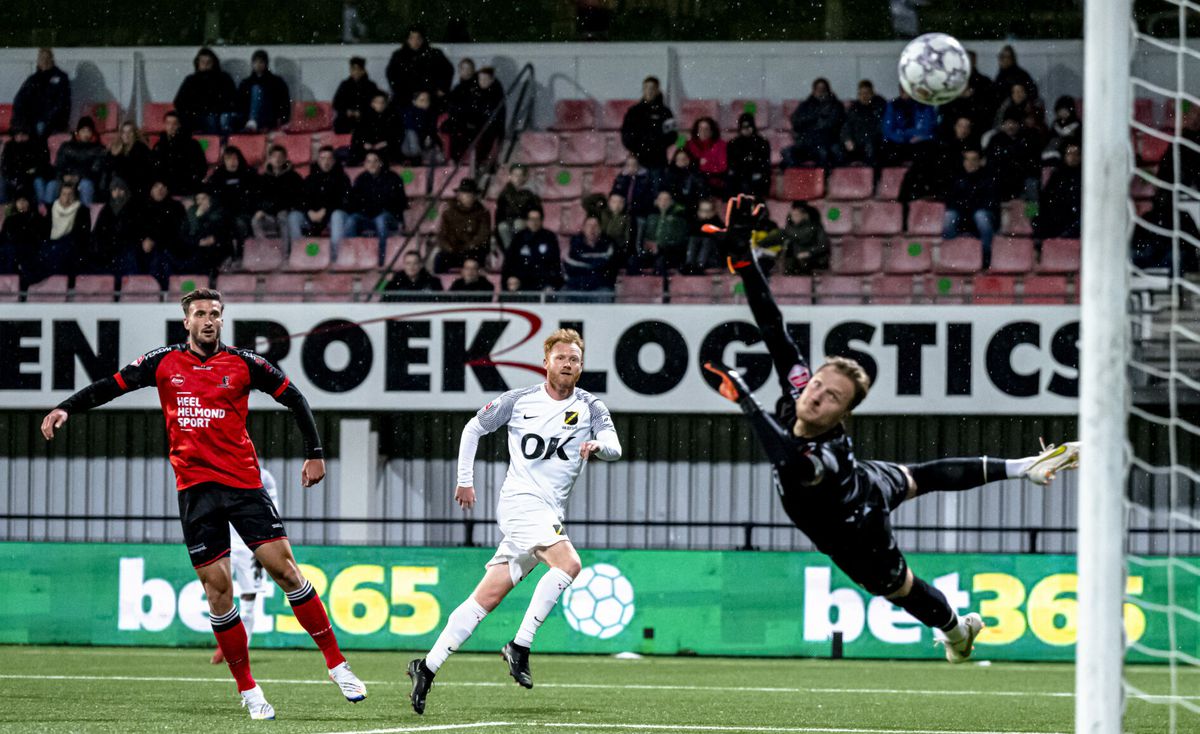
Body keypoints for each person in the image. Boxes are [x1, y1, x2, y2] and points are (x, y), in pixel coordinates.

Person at [702, 196, 1080, 669]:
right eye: (818, 384)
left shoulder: (825, 456)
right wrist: (744, 262)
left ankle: (957, 632)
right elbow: (774, 327)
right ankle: (1022, 468)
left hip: (856, 525)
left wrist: (746, 402)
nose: (816, 395)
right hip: (869, 476)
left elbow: (791, 463)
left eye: (831, 397)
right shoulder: (801, 388)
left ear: (842, 415)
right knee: (920, 476)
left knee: (899, 588)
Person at [41, 288, 367, 720]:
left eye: (215, 313)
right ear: (187, 322)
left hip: (244, 486)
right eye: (200, 313)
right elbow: (111, 387)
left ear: (221, 319)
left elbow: (295, 398)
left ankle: (337, 664)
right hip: (196, 492)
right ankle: (249, 690)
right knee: (218, 593)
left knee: (286, 572)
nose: (209, 320)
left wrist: (316, 452)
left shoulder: (245, 363)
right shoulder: (162, 362)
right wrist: (67, 407)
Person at [406, 328, 622, 714]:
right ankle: (519, 645)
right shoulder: (519, 401)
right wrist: (465, 481)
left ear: (581, 366)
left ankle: (427, 666)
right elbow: (474, 428)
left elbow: (615, 447)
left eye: (574, 359)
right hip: (520, 504)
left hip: (549, 512)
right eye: (561, 358)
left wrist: (597, 445)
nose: (568, 364)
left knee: (485, 598)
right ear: (546, 363)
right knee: (569, 563)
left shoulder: (591, 406)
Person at [211, 462, 279, 664]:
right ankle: (225, 642)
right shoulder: (217, 470)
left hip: (250, 543)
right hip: (224, 541)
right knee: (218, 593)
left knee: (249, 597)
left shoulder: (264, 477)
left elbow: (272, 509)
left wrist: (266, 545)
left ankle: (242, 647)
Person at [344, 151, 408, 262]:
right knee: (351, 220)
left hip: (390, 219)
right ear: (365, 164)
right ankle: (351, 259)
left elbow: (399, 203)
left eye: (375, 161)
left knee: (380, 219)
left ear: (381, 163)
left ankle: (381, 260)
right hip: (368, 217)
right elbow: (354, 203)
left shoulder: (393, 178)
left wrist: (374, 207)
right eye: (368, 161)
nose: (372, 164)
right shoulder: (360, 179)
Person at [941, 148, 999, 268]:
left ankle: (986, 257)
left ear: (980, 161)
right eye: (967, 160)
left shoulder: (989, 178)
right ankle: (950, 255)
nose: (970, 163)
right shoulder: (956, 178)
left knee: (980, 216)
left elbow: (990, 203)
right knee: (949, 216)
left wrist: (969, 206)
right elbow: (951, 202)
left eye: (974, 160)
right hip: (963, 218)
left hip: (983, 217)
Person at [385, 26, 454, 111]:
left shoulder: (434, 54)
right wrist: (400, 92)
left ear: (423, 39)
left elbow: (448, 70)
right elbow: (391, 74)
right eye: (412, 38)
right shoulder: (399, 56)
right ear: (407, 40)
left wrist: (443, 88)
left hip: (431, 98)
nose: (415, 41)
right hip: (406, 99)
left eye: (418, 38)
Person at [173, 47, 239, 135]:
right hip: (196, 116)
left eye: (209, 62)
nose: (205, 65)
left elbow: (232, 99)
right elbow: (178, 102)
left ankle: (220, 146)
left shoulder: (223, 78)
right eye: (202, 62)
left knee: (218, 118)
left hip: (218, 114)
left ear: (214, 63)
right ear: (198, 63)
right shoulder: (191, 80)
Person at [620, 76, 677, 175]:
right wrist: (638, 147)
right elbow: (626, 134)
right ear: (643, 90)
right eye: (646, 88)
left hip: (658, 159)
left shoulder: (666, 112)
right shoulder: (633, 112)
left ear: (658, 90)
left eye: (652, 88)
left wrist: (656, 145)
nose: (649, 91)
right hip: (638, 159)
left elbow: (673, 135)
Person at [784, 78, 845, 169]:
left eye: (823, 89)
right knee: (787, 153)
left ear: (828, 90)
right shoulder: (806, 104)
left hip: (826, 142)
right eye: (817, 89)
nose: (820, 92)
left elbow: (830, 124)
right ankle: (799, 180)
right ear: (813, 91)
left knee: (823, 154)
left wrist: (809, 123)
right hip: (806, 142)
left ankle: (821, 182)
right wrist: (814, 118)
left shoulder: (835, 105)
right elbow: (795, 121)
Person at [45, 117, 105, 206]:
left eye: (88, 131)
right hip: (65, 180)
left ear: (92, 133)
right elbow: (59, 165)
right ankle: (48, 215)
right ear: (78, 132)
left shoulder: (98, 149)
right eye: (83, 130)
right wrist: (63, 176)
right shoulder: (66, 146)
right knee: (51, 185)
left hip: (84, 180)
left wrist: (78, 177)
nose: (86, 134)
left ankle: (85, 215)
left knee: (86, 185)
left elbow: (96, 170)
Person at [758, 200, 830, 275]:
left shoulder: (816, 228)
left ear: (805, 215)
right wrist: (760, 244)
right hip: (793, 262)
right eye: (792, 215)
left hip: (812, 260)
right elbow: (776, 237)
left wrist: (809, 253)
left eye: (796, 215)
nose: (793, 217)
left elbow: (823, 245)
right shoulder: (789, 229)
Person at [254, 145, 305, 251]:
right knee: (256, 220)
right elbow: (258, 199)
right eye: (274, 156)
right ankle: (265, 252)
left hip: (285, 214)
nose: (277, 159)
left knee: (283, 215)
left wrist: (278, 207)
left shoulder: (294, 177)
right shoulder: (263, 178)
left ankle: (286, 254)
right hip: (269, 216)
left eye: (280, 156)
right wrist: (263, 210)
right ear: (269, 158)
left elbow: (296, 199)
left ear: (285, 158)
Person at [434, 177, 490, 272]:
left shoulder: (483, 212)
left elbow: (482, 236)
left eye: (471, 194)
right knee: (440, 258)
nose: (469, 197)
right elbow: (442, 235)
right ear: (459, 195)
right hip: (453, 251)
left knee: (479, 256)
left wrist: (469, 246)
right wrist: (449, 248)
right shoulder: (448, 212)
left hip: (473, 251)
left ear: (475, 196)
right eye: (465, 194)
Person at [295, 146, 351, 242]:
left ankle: (335, 255)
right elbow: (302, 199)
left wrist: (325, 211)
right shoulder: (310, 179)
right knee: (294, 216)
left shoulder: (342, 178)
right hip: (312, 217)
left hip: (331, 217)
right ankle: (296, 252)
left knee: (337, 215)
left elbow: (343, 201)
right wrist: (309, 211)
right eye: (323, 158)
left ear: (334, 161)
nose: (326, 162)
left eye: (329, 158)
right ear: (318, 160)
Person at [985, 109, 1041, 202]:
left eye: (1014, 123)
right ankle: (995, 215)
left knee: (1032, 187)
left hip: (1023, 177)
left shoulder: (1027, 138)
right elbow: (991, 160)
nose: (1010, 126)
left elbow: (1032, 163)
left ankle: (1032, 214)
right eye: (1008, 123)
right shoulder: (996, 139)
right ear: (1003, 125)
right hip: (1001, 177)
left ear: (1019, 124)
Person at [502, 207, 563, 291]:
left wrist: (551, 284)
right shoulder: (519, 238)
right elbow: (509, 263)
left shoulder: (549, 237)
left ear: (542, 220)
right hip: (522, 282)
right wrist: (511, 278)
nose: (534, 222)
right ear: (526, 221)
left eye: (537, 219)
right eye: (531, 219)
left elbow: (555, 264)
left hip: (543, 283)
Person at [90, 177, 142, 276]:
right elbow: (98, 231)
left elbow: (135, 231)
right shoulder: (106, 209)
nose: (117, 193)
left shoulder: (133, 207)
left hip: (127, 248)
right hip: (108, 249)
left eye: (120, 189)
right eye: (114, 190)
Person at [13, 48, 71, 136]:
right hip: (33, 122)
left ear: (52, 59)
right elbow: (19, 100)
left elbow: (62, 103)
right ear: (38, 61)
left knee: (40, 129)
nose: (45, 61)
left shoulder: (61, 78)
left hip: (53, 123)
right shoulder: (32, 80)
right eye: (42, 58)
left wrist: (47, 119)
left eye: (47, 58)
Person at [176, 190, 235, 277]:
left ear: (210, 200)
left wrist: (214, 239)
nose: (200, 202)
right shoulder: (191, 213)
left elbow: (224, 232)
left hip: (217, 248)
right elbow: (185, 234)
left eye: (204, 198)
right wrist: (197, 242)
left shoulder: (219, 212)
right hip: (197, 248)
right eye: (198, 199)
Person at [141, 179, 187, 286]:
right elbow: (137, 229)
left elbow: (176, 231)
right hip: (146, 251)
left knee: (162, 259)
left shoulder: (176, 207)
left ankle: (162, 290)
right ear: (151, 190)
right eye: (157, 186)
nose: (160, 190)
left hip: (171, 249)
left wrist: (154, 241)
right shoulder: (143, 208)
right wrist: (143, 240)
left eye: (163, 187)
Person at [151, 111, 208, 196]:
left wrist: (191, 181)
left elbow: (201, 167)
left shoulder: (192, 144)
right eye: (168, 123)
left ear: (179, 125)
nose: (171, 127)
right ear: (165, 125)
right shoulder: (159, 146)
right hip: (164, 190)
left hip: (186, 188)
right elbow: (153, 168)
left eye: (174, 124)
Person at [1033, 142, 1082, 240]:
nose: (1073, 157)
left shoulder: (1085, 176)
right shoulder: (1057, 175)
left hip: (1076, 219)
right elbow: (1045, 198)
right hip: (1058, 218)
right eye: (1069, 153)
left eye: (1076, 154)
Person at [237, 49, 292, 132]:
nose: (258, 65)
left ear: (266, 64)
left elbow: (284, 101)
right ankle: (251, 122)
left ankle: (253, 121)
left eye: (261, 62)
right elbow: (241, 103)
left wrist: (283, 118)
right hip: (248, 119)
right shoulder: (246, 83)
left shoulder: (276, 82)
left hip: (269, 117)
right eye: (255, 62)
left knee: (257, 90)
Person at [881, 87, 937, 165]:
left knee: (926, 149)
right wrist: (903, 138)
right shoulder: (893, 105)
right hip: (898, 143)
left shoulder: (924, 106)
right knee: (888, 150)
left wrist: (919, 137)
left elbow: (929, 129)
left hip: (919, 143)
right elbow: (887, 130)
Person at [638, 189, 689, 274]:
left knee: (661, 262)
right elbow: (645, 236)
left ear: (672, 202)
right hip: (650, 252)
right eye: (660, 199)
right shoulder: (651, 217)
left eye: (666, 199)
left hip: (669, 252)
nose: (663, 202)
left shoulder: (678, 219)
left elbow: (679, 239)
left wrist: (660, 246)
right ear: (656, 201)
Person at [563, 214, 615, 295]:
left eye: (595, 226)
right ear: (583, 228)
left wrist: (582, 262)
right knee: (563, 294)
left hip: (599, 287)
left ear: (600, 229)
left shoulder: (608, 244)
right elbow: (569, 265)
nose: (592, 229)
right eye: (589, 225)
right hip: (576, 286)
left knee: (606, 294)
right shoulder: (573, 244)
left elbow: (607, 267)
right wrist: (594, 265)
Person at [494, 164, 542, 248]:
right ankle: (510, 253)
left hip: (525, 222)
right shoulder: (504, 194)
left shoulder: (530, 194)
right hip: (508, 223)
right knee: (502, 227)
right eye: (515, 175)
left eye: (520, 175)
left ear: (525, 177)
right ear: (510, 176)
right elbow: (499, 215)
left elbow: (536, 211)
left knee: (518, 224)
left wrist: (528, 221)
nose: (518, 178)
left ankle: (520, 251)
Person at [841, 80, 887, 166]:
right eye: (862, 93)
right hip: (857, 143)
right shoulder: (854, 109)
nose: (864, 96)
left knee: (871, 148)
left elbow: (881, 127)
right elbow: (846, 127)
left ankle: (871, 176)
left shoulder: (879, 107)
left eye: (867, 93)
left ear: (872, 93)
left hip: (875, 143)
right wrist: (847, 139)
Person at [1, 192, 47, 278]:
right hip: (12, 249)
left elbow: (39, 237)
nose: (21, 203)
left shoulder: (36, 218)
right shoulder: (10, 219)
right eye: (19, 201)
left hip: (29, 249)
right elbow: (3, 237)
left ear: (29, 202)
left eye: (24, 200)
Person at [726, 112, 771, 199]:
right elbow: (731, 163)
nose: (746, 129)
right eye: (743, 127)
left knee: (758, 179)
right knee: (733, 179)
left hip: (756, 174)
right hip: (739, 174)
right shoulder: (733, 143)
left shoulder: (762, 142)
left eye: (749, 126)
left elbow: (765, 163)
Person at [1, 126, 51, 205]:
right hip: (14, 176)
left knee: (38, 182)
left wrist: (27, 173)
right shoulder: (9, 146)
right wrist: (13, 177)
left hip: (31, 176)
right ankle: (3, 205)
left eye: (23, 135)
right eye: (18, 135)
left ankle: (41, 207)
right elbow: (5, 165)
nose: (20, 138)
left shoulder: (36, 145)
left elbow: (41, 165)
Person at [332, 57, 381, 134]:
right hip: (347, 118)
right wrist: (346, 111)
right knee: (339, 125)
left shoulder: (371, 86)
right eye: (353, 69)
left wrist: (361, 112)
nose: (355, 72)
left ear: (363, 70)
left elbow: (376, 105)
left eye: (358, 69)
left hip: (364, 118)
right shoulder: (345, 85)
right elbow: (336, 103)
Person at [349, 92, 400, 166]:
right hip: (367, 147)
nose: (380, 105)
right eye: (377, 102)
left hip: (385, 147)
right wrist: (364, 143)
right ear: (372, 103)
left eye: (382, 102)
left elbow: (397, 134)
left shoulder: (392, 117)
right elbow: (357, 135)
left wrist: (385, 143)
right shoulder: (365, 117)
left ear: (386, 104)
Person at [103, 121, 153, 197]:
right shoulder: (115, 148)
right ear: (121, 134)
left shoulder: (141, 149)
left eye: (130, 132)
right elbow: (108, 169)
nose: (126, 135)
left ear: (135, 134)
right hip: (115, 186)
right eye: (124, 132)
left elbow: (141, 174)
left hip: (134, 187)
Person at [399, 90, 445, 166]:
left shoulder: (432, 113)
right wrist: (424, 136)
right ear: (414, 102)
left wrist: (429, 136)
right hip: (410, 145)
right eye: (422, 100)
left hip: (426, 143)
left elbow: (432, 129)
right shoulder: (408, 112)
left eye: (427, 100)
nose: (425, 102)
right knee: (411, 134)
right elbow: (411, 127)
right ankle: (415, 159)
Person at [684, 117, 727, 196]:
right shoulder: (689, 145)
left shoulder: (720, 145)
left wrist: (702, 165)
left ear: (712, 131)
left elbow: (722, 167)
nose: (703, 132)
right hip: (695, 183)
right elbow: (685, 164)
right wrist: (704, 163)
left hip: (715, 183)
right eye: (700, 128)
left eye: (706, 129)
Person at [682, 198, 723, 274]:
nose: (705, 214)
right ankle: (689, 264)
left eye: (708, 211)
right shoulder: (695, 221)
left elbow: (720, 235)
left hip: (712, 256)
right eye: (702, 211)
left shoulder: (716, 221)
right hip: (697, 250)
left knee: (707, 241)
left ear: (713, 212)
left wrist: (710, 221)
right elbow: (691, 232)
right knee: (693, 239)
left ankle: (700, 264)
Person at [1041, 96, 1081, 163]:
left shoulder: (1076, 124)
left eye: (1065, 111)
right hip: (1056, 155)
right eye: (1061, 111)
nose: (1063, 113)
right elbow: (1049, 139)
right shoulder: (1055, 125)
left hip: (1070, 154)